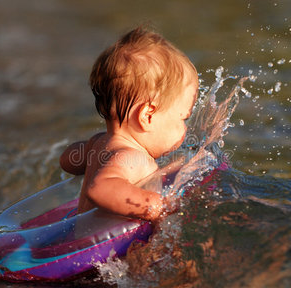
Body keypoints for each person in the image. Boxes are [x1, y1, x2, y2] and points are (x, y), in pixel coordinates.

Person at [60, 26, 198, 221]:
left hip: (78, 239)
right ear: (147, 116)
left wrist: (89, 156)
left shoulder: (98, 143)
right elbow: (101, 188)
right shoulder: (133, 158)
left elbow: (66, 160)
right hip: (107, 250)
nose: (185, 128)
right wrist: (160, 207)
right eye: (183, 118)